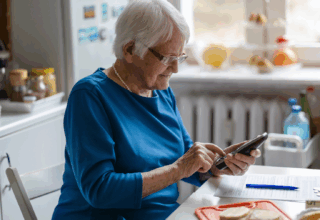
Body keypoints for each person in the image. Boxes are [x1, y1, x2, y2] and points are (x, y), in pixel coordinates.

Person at [52, 0, 261, 219]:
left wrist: (214, 166)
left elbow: (181, 156)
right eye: (168, 58)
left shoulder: (159, 91)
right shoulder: (90, 96)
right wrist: (179, 169)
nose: (176, 68)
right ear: (130, 49)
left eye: (180, 57)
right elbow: (99, 190)